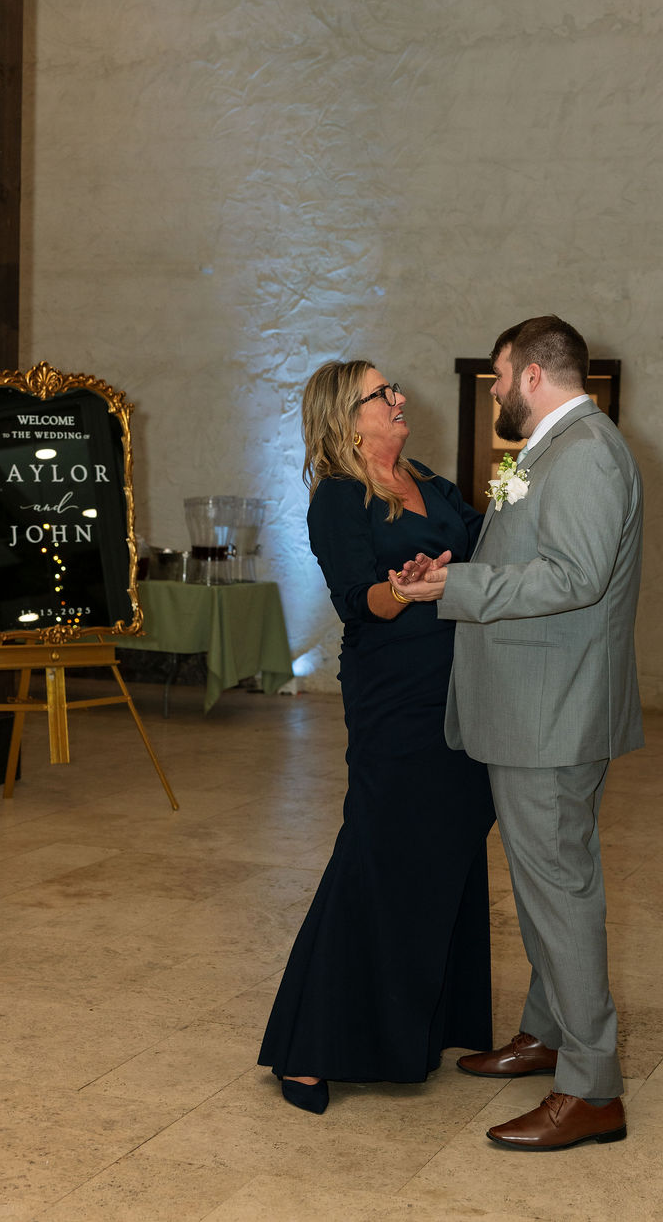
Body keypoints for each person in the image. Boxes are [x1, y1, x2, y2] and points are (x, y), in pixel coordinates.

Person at [391, 315, 644, 1151]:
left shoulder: (587, 454)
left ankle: (591, 1084)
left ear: (532, 373)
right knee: (544, 884)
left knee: (560, 891)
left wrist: (456, 588)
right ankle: (546, 1034)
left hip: (553, 707)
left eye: (499, 375)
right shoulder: (554, 449)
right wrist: (452, 571)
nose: (494, 389)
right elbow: (528, 550)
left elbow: (574, 576)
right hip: (537, 702)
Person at [258, 360, 495, 1114]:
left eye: (394, 390)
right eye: (381, 393)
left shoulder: (424, 475)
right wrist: (409, 584)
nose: (399, 399)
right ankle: (308, 1044)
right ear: (345, 416)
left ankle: (429, 1024)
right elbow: (359, 600)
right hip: (396, 694)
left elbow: (482, 536)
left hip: (461, 685)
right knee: (378, 847)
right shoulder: (336, 497)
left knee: (450, 842)